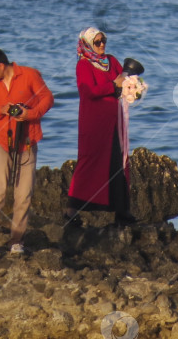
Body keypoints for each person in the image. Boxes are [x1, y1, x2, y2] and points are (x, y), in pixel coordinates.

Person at [0, 47, 54, 259]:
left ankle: (17, 241)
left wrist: (30, 114)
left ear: (1, 66)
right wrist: (1, 109)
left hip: (27, 142)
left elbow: (47, 98)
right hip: (2, 141)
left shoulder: (29, 75)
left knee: (23, 194)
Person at [65, 28, 136, 226]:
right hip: (94, 122)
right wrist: (113, 86)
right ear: (87, 44)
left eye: (103, 40)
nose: (102, 44)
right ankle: (71, 208)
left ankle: (122, 210)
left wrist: (132, 86)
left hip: (114, 119)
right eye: (97, 42)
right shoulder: (84, 65)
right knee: (89, 161)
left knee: (118, 162)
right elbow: (87, 91)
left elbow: (123, 81)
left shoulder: (111, 61)